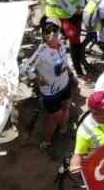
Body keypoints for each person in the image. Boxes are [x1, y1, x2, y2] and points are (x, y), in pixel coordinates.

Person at [29, 21, 75, 150]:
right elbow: (24, 70)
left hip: (65, 84)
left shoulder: (61, 46)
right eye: (48, 33)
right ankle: (47, 140)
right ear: (43, 36)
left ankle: (63, 128)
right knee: (54, 117)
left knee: (66, 107)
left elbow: (65, 62)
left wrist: (69, 71)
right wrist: (37, 78)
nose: (52, 35)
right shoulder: (41, 52)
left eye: (55, 32)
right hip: (51, 92)